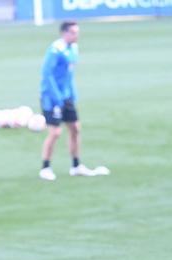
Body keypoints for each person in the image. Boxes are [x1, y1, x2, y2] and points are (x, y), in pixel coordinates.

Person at [39, 22, 106, 181]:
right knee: (55, 132)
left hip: (66, 96)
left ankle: (76, 166)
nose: (77, 36)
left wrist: (72, 95)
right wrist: (57, 99)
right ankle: (45, 168)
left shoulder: (73, 49)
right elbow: (47, 75)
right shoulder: (55, 51)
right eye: (74, 33)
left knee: (75, 128)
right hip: (52, 97)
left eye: (77, 32)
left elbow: (69, 75)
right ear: (65, 33)